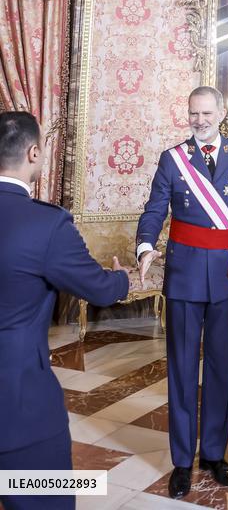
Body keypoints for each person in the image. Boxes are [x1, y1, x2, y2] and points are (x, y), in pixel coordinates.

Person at [137, 86, 228, 500]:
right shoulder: (173, 159)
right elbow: (156, 208)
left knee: (222, 367)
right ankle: (180, 460)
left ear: (222, 113)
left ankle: (213, 453)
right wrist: (145, 244)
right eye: (194, 113)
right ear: (187, 114)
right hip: (185, 274)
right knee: (183, 368)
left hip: (226, 275)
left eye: (207, 113)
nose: (201, 120)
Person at [0, 111, 129, 510]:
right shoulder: (46, 226)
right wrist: (122, 277)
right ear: (34, 152)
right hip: (20, 407)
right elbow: (100, 289)